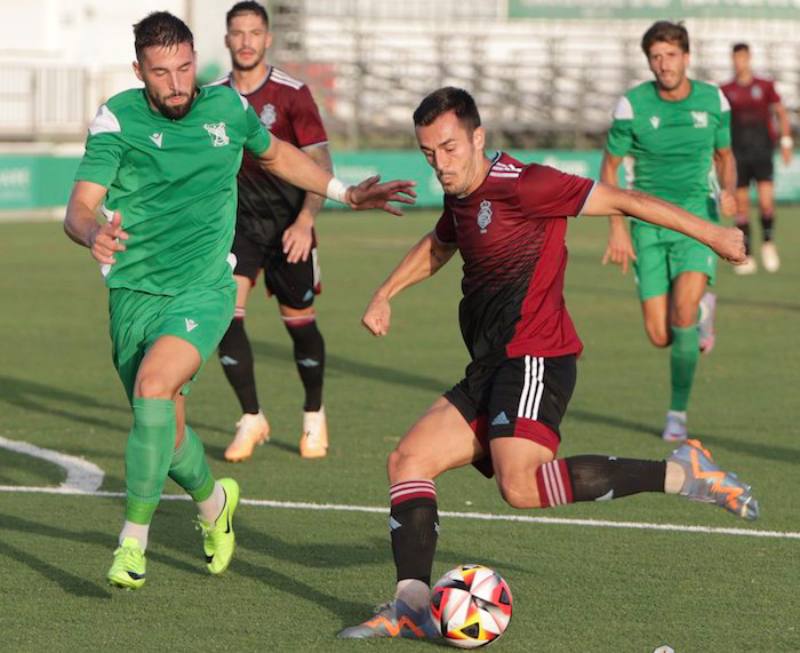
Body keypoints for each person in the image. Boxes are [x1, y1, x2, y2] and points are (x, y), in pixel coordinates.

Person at [337, 87, 757, 641]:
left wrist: (713, 234)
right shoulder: (461, 192)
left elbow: (626, 200)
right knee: (408, 460)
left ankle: (683, 473)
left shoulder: (528, 184)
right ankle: (412, 605)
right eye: (428, 153)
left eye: (449, 148)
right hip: (491, 364)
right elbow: (443, 242)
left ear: (477, 138)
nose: (440, 163)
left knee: (520, 484)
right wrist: (385, 291)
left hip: (536, 355)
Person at [63, 11, 415, 590]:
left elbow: (277, 153)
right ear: (139, 72)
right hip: (132, 293)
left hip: (203, 288)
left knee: (155, 387)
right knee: (165, 430)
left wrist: (345, 191)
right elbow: (82, 204)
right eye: (161, 73)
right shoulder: (117, 118)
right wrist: (89, 230)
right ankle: (213, 504)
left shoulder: (227, 109)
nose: (177, 84)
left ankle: (132, 542)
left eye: (183, 68)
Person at [600, 21, 736, 442]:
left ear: (686, 57)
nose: (663, 65)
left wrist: (728, 191)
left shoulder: (713, 99)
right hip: (647, 223)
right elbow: (610, 167)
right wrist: (618, 227)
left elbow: (724, 155)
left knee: (683, 316)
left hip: (698, 220)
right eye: (656, 57)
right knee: (660, 335)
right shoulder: (632, 105)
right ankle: (700, 319)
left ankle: (677, 412)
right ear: (649, 61)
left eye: (671, 55)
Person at [215, 1, 332, 462]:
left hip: (289, 227)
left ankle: (313, 414)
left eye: (254, 33)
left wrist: (306, 221)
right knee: (225, 315)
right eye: (237, 33)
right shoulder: (213, 98)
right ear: (227, 39)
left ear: (267, 39)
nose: (245, 41)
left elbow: (320, 166)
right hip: (237, 229)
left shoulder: (292, 94)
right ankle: (251, 418)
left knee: (300, 326)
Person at [721, 42, 793, 274]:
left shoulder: (765, 86)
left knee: (765, 202)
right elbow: (720, 122)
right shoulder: (726, 89)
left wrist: (786, 141)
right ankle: (747, 253)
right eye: (736, 58)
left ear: (749, 58)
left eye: (743, 58)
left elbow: (780, 113)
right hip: (738, 154)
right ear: (732, 60)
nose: (739, 62)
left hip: (762, 151)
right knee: (741, 205)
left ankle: (768, 244)